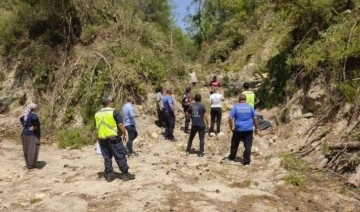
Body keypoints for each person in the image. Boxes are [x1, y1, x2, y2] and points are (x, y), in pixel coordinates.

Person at [95, 96, 135, 182]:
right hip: (113, 138)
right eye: (112, 101)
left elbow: (97, 128)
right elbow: (120, 124)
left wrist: (97, 139)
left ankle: (109, 175)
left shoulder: (97, 113)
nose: (113, 103)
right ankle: (125, 174)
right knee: (120, 155)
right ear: (109, 102)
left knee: (107, 157)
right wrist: (124, 133)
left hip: (102, 138)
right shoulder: (113, 111)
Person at [226, 94, 259, 166]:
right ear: (246, 100)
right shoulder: (250, 107)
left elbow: (230, 118)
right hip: (248, 129)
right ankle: (246, 162)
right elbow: (255, 118)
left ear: (239, 99)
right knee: (248, 145)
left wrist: (231, 127)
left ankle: (231, 158)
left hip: (238, 129)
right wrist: (256, 128)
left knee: (234, 144)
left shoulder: (235, 107)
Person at [20, 103, 41, 169]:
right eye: (36, 108)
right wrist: (34, 127)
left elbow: (21, 119)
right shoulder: (34, 116)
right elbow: (35, 122)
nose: (37, 109)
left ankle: (28, 164)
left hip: (24, 134)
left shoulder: (25, 115)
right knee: (32, 149)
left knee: (26, 149)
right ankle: (30, 165)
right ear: (34, 108)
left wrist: (26, 126)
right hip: (32, 134)